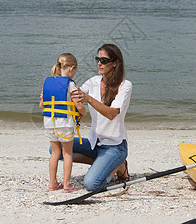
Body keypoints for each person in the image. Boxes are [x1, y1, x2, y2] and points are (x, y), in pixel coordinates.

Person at [70, 44, 132, 191]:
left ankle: (118, 164)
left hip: (115, 146)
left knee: (91, 184)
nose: (99, 63)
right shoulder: (93, 82)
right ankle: (108, 164)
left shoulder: (125, 86)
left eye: (104, 60)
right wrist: (52, 92)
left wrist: (88, 99)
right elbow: (73, 93)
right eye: (97, 59)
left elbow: (111, 114)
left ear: (115, 63)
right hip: (94, 142)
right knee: (56, 148)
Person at [39, 53, 86, 193]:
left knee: (54, 153)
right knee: (67, 154)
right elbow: (79, 106)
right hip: (64, 124)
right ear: (71, 68)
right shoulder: (70, 84)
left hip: (49, 123)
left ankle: (53, 183)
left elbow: (42, 105)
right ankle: (67, 185)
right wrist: (83, 114)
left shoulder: (47, 82)